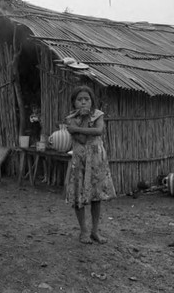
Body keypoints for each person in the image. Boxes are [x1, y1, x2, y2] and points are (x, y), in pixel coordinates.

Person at [65, 85, 116, 244]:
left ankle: (95, 230)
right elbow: (82, 140)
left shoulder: (98, 115)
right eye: (79, 100)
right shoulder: (70, 118)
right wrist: (86, 121)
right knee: (78, 196)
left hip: (96, 161)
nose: (83, 102)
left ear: (92, 101)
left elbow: (99, 131)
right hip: (80, 161)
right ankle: (84, 231)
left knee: (96, 196)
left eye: (86, 99)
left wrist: (76, 128)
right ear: (74, 102)